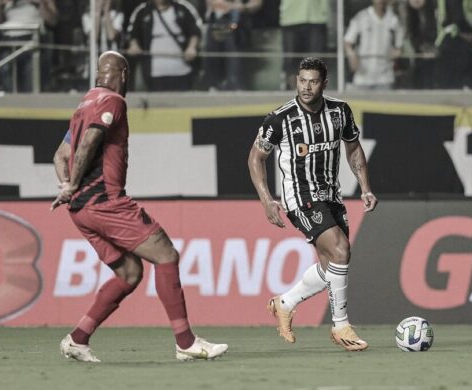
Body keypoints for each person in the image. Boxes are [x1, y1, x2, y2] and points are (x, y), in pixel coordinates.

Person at [51, 51, 228, 363]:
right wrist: (74, 184)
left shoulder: (83, 104)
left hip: (80, 210)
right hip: (105, 202)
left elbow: (61, 154)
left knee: (130, 273)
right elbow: (92, 140)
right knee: (166, 255)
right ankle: (185, 343)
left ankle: (77, 339)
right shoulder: (113, 101)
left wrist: (67, 186)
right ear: (124, 75)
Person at [247, 57, 378, 351]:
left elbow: (353, 148)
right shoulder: (279, 119)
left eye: (313, 81)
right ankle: (341, 326)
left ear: (324, 83)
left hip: (331, 194)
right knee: (341, 249)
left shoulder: (340, 112)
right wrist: (267, 200)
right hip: (299, 197)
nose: (306, 87)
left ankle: (285, 303)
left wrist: (366, 188)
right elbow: (256, 158)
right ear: (296, 80)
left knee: (333, 264)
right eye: (302, 80)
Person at [126, 0, 202, 91]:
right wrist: (134, 45)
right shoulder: (142, 10)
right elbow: (132, 33)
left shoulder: (183, 7)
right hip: (154, 71)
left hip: (182, 69)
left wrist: (192, 47)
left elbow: (195, 30)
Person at [203, 0, 262, 91]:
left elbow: (256, 3)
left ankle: (236, 87)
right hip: (215, 22)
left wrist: (238, 6)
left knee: (235, 61)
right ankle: (213, 87)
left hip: (238, 26)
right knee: (212, 59)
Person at [344, 0, 404, 90]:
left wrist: (397, 52)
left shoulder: (394, 19)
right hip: (362, 77)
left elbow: (400, 46)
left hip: (385, 78)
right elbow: (347, 41)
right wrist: (351, 55)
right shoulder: (361, 17)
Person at [279, 0, 328, 90]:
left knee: (316, 62)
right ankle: (291, 94)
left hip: (317, 16)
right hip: (290, 16)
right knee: (290, 60)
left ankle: (315, 93)